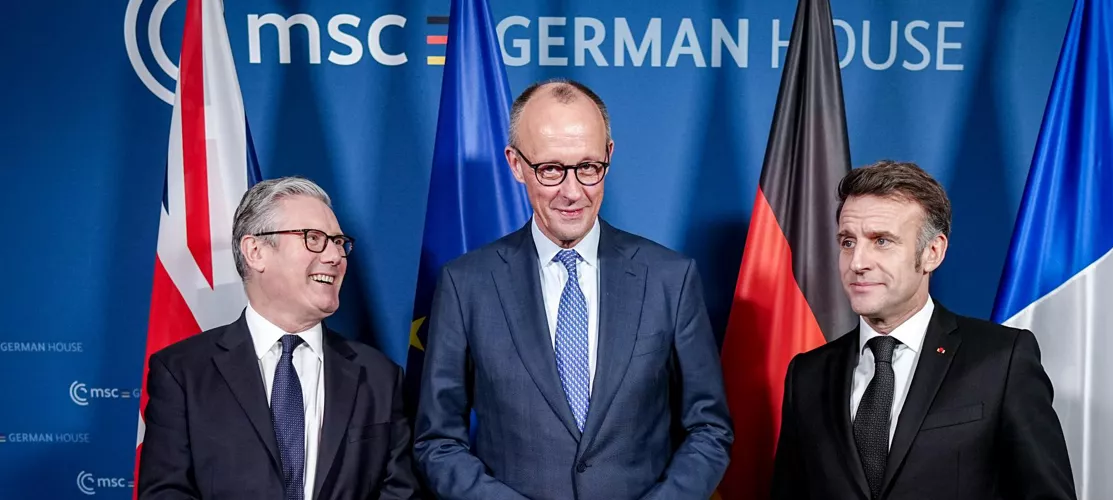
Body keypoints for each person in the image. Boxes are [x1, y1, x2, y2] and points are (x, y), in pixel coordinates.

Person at [414, 79, 733, 500]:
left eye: (588, 167)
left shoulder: (669, 278)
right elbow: (437, 441)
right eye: (550, 169)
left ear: (609, 157)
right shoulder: (466, 283)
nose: (572, 191)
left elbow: (709, 429)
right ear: (515, 164)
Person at [771, 161, 1076, 500]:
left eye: (881, 241)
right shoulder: (808, 374)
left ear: (932, 252)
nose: (857, 262)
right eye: (847, 242)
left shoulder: (1001, 359)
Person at [138, 176, 422, 499]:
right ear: (255, 251)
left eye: (339, 242)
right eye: (314, 238)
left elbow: (400, 493)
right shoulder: (182, 373)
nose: (335, 256)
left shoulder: (380, 378)